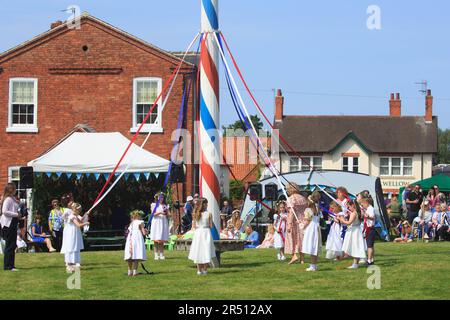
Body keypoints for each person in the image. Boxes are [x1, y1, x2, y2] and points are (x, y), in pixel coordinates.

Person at [188, 198, 216, 275]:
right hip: (206, 232)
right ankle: (205, 269)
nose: (207, 205)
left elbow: (194, 226)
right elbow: (210, 226)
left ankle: (199, 270)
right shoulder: (209, 214)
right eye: (206, 203)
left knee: (198, 250)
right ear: (203, 204)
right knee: (206, 249)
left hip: (198, 233)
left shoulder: (195, 213)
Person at [60, 203, 89, 273]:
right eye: (79, 211)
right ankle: (69, 264)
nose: (79, 212)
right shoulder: (72, 216)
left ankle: (73, 264)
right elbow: (79, 225)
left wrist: (86, 214)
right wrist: (86, 223)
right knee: (71, 246)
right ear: (76, 210)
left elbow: (81, 220)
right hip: (71, 233)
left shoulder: (75, 216)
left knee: (75, 246)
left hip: (75, 232)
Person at [1, 183, 23, 271]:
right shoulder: (8, 199)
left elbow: (18, 205)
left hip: (12, 223)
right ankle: (8, 266)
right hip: (8, 224)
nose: (15, 190)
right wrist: (16, 214)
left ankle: (11, 265)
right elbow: (4, 211)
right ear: (11, 190)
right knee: (10, 245)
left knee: (12, 244)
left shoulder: (12, 198)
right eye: (14, 189)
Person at [338, 200, 367, 269]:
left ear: (353, 205)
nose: (348, 208)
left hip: (354, 231)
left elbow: (349, 223)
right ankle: (355, 263)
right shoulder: (360, 212)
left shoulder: (353, 213)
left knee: (355, 247)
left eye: (349, 206)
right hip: (357, 230)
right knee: (355, 247)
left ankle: (355, 264)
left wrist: (341, 219)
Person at [285, 182, 308, 265]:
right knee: (301, 239)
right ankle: (302, 259)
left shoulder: (291, 198)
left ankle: (294, 255)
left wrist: (289, 224)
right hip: (303, 221)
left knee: (293, 239)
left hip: (294, 221)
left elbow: (291, 212)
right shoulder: (303, 198)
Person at [301, 192, 322, 272]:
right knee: (314, 247)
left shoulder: (308, 209)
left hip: (311, 228)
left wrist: (302, 226)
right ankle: (313, 265)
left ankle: (313, 266)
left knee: (312, 246)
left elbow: (307, 221)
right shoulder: (317, 207)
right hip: (316, 227)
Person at [124, 210, 148, 277]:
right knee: (136, 254)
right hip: (137, 238)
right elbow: (143, 233)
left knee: (130, 254)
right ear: (138, 216)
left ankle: (129, 271)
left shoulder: (132, 223)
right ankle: (135, 271)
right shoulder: (141, 222)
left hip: (130, 238)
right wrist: (147, 232)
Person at [150, 193, 170, 260]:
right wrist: (160, 213)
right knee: (156, 239)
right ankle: (156, 254)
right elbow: (153, 214)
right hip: (156, 222)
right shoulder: (154, 205)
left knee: (161, 239)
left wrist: (168, 213)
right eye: (160, 197)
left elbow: (168, 213)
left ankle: (161, 254)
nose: (161, 199)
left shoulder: (165, 206)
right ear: (157, 198)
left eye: (162, 198)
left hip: (163, 222)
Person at [361, 198, 376, 265]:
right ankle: (371, 259)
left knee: (369, 246)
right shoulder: (368, 209)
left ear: (366, 202)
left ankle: (369, 260)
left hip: (370, 228)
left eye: (363, 204)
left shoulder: (371, 209)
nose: (362, 205)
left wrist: (368, 217)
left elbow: (373, 218)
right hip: (368, 228)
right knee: (371, 245)